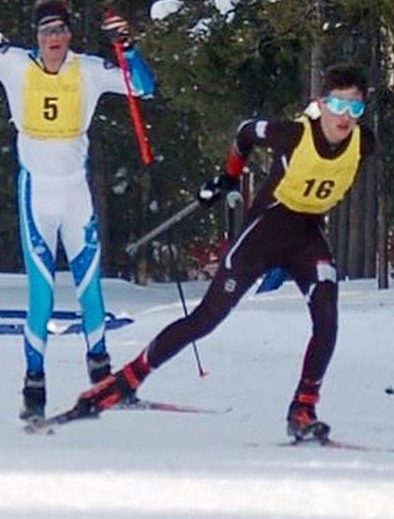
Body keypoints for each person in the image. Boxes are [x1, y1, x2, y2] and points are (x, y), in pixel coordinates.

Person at [71, 64, 376, 441]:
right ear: (320, 104)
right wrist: (229, 174)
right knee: (206, 318)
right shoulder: (293, 135)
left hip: (307, 236)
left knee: (327, 315)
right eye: (338, 105)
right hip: (264, 232)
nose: (345, 117)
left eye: (355, 108)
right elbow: (245, 132)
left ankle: (303, 409)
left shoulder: (366, 142)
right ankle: (123, 382)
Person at [0, 0, 156, 419]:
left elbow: (142, 87)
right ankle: (33, 384)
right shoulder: (15, 64)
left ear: (70, 33)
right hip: (36, 193)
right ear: (36, 36)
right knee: (40, 294)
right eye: (46, 31)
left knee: (90, 289)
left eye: (60, 30)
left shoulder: (90, 70)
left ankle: (101, 374)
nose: (54, 39)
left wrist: (128, 46)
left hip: (74, 192)